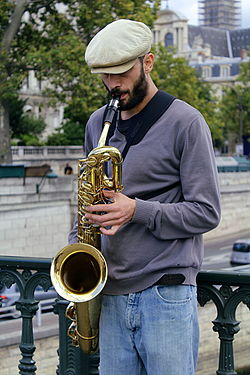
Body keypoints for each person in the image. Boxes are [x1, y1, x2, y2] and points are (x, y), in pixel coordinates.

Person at [68, 19, 221, 375]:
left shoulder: (187, 122)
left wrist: (136, 210)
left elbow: (207, 212)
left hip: (165, 294)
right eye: (105, 76)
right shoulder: (97, 124)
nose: (112, 85)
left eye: (120, 74)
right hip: (111, 294)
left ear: (147, 63)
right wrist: (76, 251)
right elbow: (87, 199)